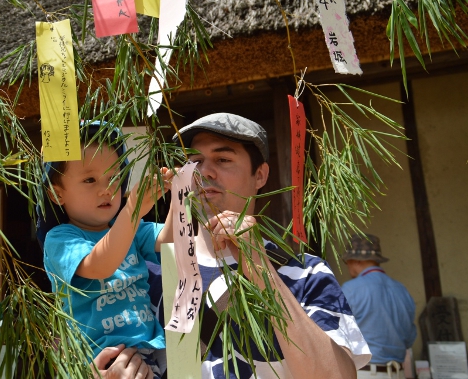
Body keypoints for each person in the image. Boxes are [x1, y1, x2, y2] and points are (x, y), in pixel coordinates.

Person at [98, 112, 371, 379]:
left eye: (223, 159)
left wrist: (260, 265)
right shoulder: (147, 275)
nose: (204, 171)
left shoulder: (304, 272)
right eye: (194, 161)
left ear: (260, 175)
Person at [37, 121, 174, 378]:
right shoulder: (60, 239)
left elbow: (170, 238)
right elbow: (100, 265)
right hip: (99, 358)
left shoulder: (130, 227)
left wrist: (179, 194)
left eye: (114, 177)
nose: (107, 189)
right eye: (90, 179)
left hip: (146, 351)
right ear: (57, 195)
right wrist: (131, 210)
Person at [342, 234, 417, 379]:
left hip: (366, 373)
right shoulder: (402, 290)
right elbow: (409, 338)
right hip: (398, 373)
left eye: (347, 262)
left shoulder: (351, 289)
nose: (348, 266)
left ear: (356, 260)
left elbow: (337, 335)